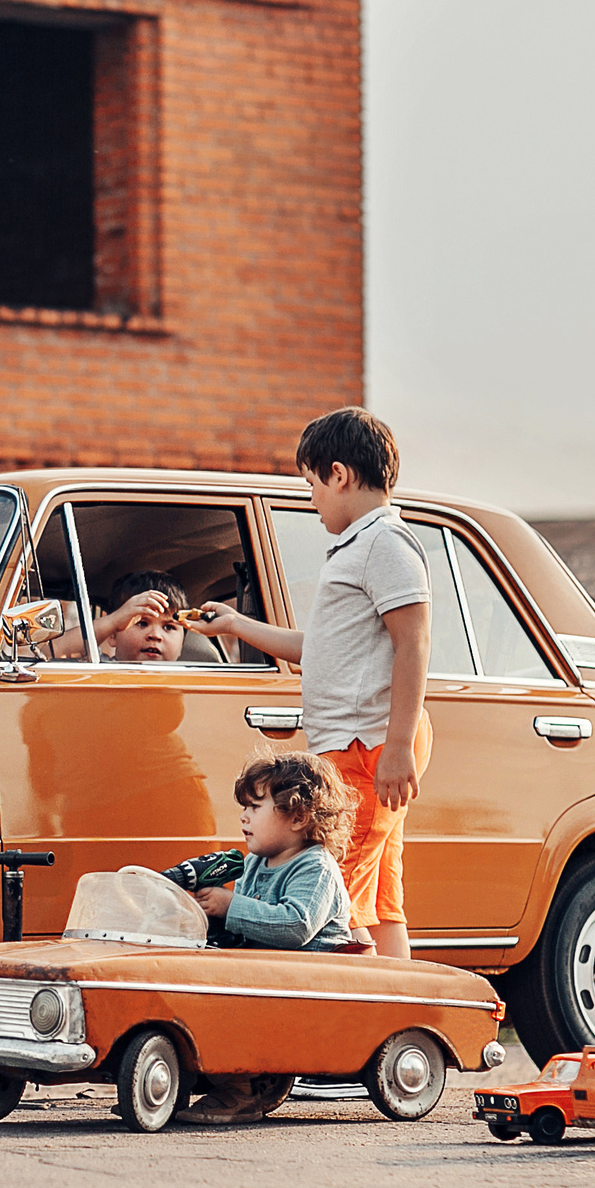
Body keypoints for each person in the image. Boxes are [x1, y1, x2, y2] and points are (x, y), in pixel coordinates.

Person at [195, 409, 431, 960]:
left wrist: (396, 747)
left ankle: (348, 1013)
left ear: (340, 474)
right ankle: (398, 1008)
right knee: (379, 901)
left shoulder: (384, 544)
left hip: (366, 745)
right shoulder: (357, 546)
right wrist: (235, 625)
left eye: (311, 484)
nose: (310, 499)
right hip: (358, 743)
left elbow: (413, 642)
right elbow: (317, 650)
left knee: (331, 893)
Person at [172, 752, 359, 1124]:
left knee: (227, 1003)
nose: (244, 817)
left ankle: (241, 1090)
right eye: (244, 807)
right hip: (267, 976)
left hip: (305, 986)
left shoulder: (315, 866)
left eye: (255, 807)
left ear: (298, 816)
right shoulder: (257, 861)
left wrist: (231, 907)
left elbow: (295, 926)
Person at [44, 569, 197, 663]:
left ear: (183, 642)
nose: (155, 636)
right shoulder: (99, 667)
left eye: (168, 627)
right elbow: (48, 652)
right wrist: (112, 622)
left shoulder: (194, 682)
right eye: (142, 623)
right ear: (113, 635)